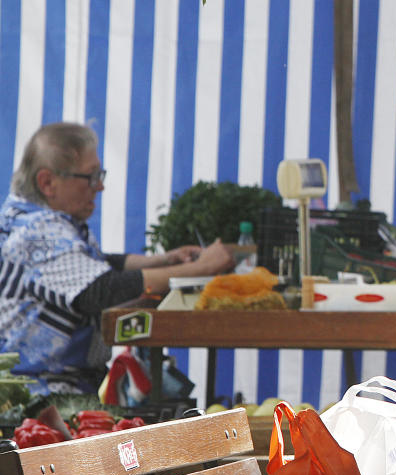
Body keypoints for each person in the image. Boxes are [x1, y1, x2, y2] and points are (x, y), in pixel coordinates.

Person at [0, 122, 235, 394]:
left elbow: (91, 264)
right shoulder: (36, 233)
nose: (99, 186)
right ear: (47, 182)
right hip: (39, 394)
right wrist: (200, 268)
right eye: (90, 176)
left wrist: (163, 261)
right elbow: (101, 289)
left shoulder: (24, 217)